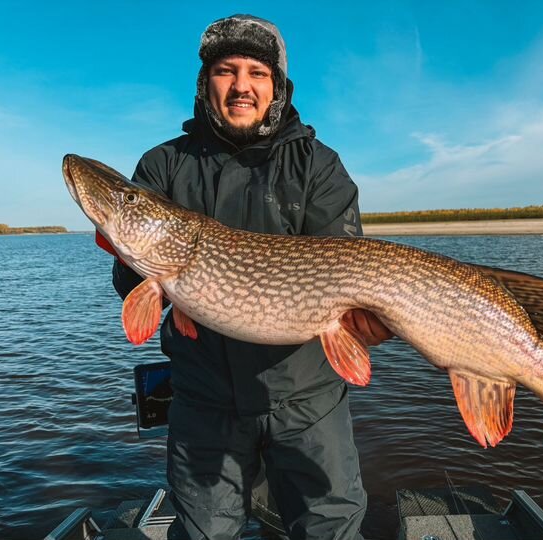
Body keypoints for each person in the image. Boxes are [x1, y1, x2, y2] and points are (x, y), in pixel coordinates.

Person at [106, 14, 391, 540]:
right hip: (204, 403)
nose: (241, 86)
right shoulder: (164, 165)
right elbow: (133, 290)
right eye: (225, 71)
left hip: (308, 402)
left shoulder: (317, 166)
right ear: (204, 83)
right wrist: (129, 257)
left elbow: (346, 271)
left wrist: (366, 323)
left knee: (331, 530)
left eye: (257, 72)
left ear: (277, 87)